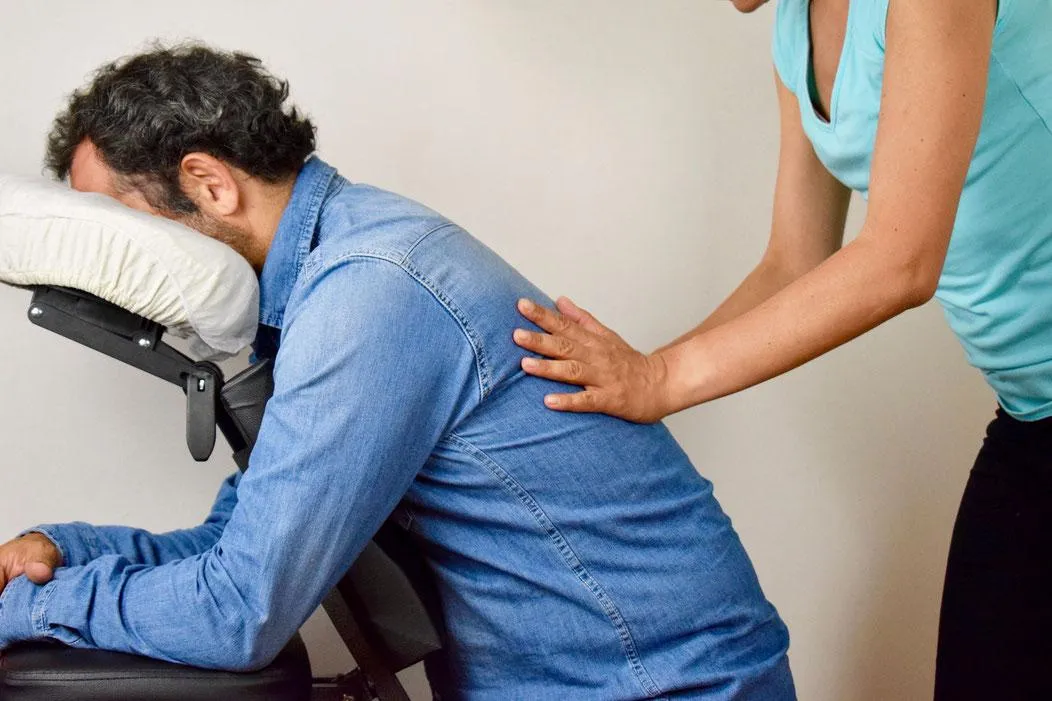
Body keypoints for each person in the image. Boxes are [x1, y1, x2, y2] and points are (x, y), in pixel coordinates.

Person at [0, 44, 795, 700]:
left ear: (209, 182)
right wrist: (62, 551)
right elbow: (237, 549)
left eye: (122, 230)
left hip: (655, 685)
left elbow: (238, 613)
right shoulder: (322, 286)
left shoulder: (369, 293)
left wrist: (31, 608)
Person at [513, 0, 1052, 698]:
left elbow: (901, 260)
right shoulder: (795, 31)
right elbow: (795, 259)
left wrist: (662, 377)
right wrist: (622, 385)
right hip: (1033, 409)